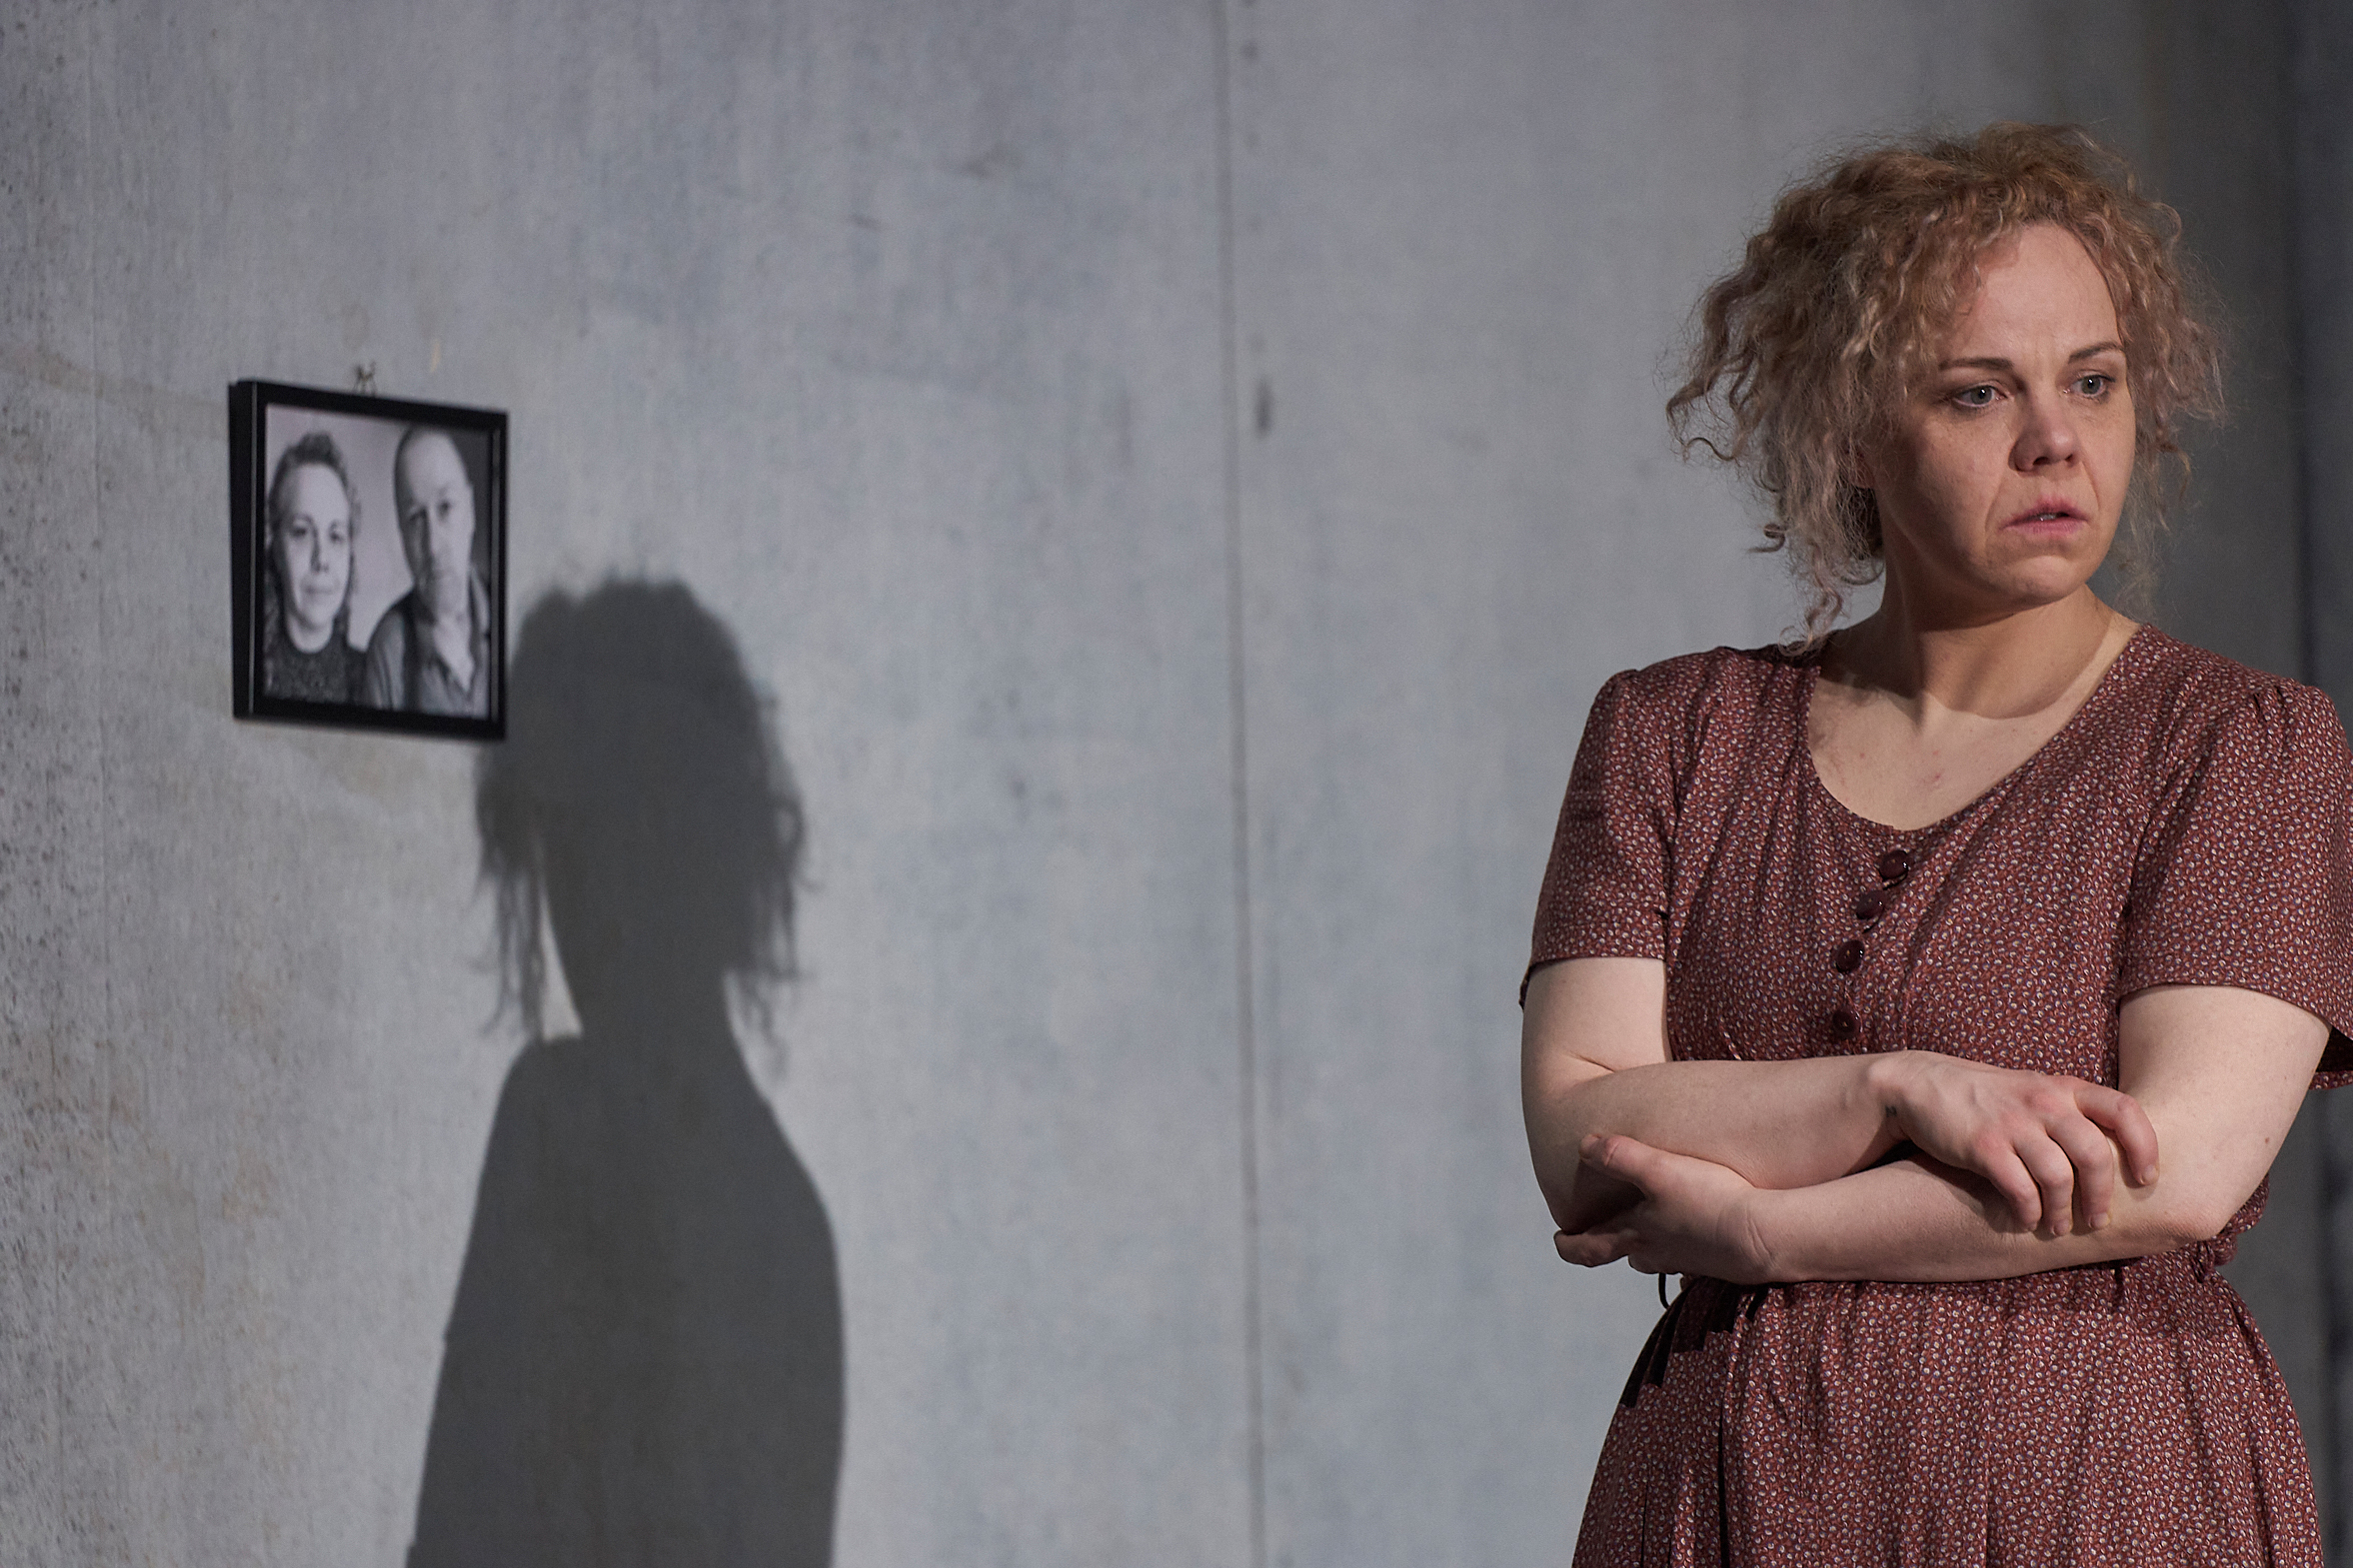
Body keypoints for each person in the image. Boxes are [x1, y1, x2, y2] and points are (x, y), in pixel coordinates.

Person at [1522, 123, 2353, 1565]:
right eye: (1978, 391)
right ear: (1850, 430)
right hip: (1724, 1478)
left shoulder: (2239, 742)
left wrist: (1767, 1233)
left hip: (2097, 1481)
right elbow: (1579, 1136)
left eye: (2091, 380)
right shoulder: (1670, 732)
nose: (2054, 440)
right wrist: (1901, 1089)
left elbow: (2177, 1170)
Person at [363, 426, 493, 717]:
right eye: (415, 519)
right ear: (401, 534)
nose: (433, 546)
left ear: (470, 512)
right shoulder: (388, 652)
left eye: (445, 507)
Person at [259, 431, 362, 703]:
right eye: (302, 532)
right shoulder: (250, 674)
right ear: (275, 548)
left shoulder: (373, 681)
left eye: (336, 536)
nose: (322, 560)